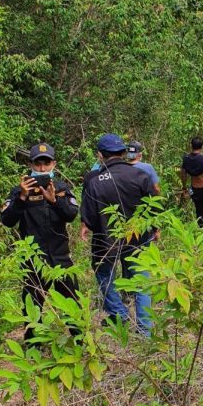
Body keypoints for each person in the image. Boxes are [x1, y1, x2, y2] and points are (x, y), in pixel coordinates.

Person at [0, 143, 80, 341]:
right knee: (32, 304)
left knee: (71, 301)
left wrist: (54, 201)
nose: (43, 168)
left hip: (61, 257)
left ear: (54, 164)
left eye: (47, 163)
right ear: (30, 165)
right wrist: (22, 197)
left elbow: (71, 215)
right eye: (38, 164)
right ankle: (33, 345)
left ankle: (80, 341)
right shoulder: (18, 191)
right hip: (33, 259)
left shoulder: (61, 188)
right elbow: (7, 221)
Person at [80, 133, 156, 336]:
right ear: (123, 153)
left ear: (100, 155)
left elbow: (89, 217)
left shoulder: (94, 180)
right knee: (141, 280)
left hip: (106, 240)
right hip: (139, 238)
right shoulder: (140, 175)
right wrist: (155, 229)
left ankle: (119, 313)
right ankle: (145, 330)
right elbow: (153, 207)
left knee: (104, 273)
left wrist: (89, 226)